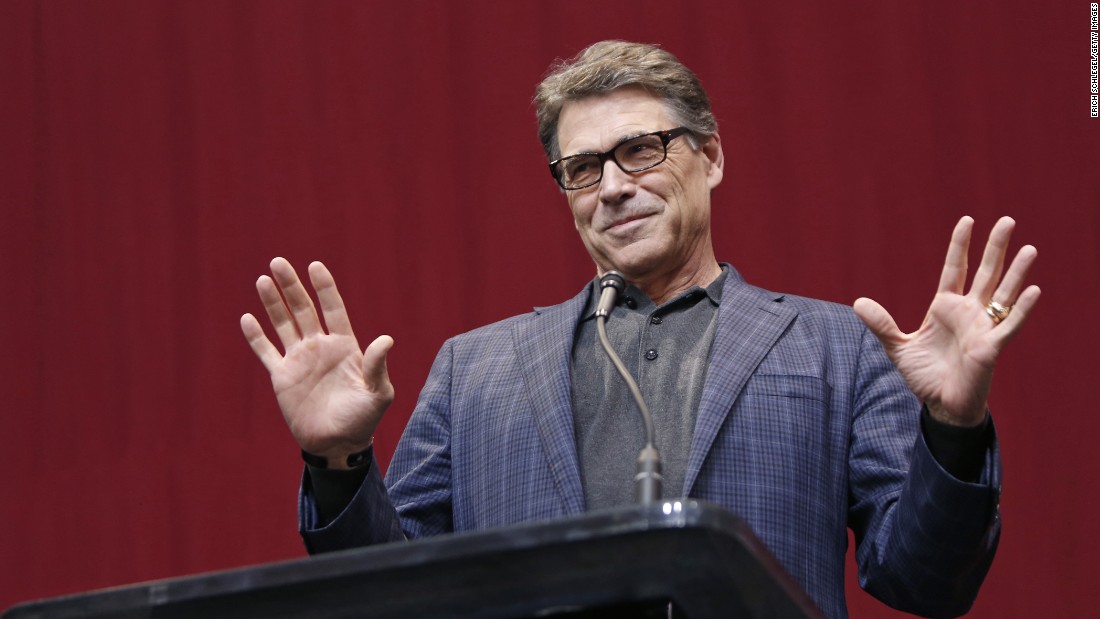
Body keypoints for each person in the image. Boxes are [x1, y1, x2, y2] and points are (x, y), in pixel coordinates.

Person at [240, 41, 1039, 618]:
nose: (613, 187)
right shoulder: (472, 369)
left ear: (712, 157)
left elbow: (927, 581)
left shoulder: (833, 347)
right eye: (584, 168)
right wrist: (338, 460)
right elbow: (391, 593)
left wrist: (954, 426)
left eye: (642, 151)